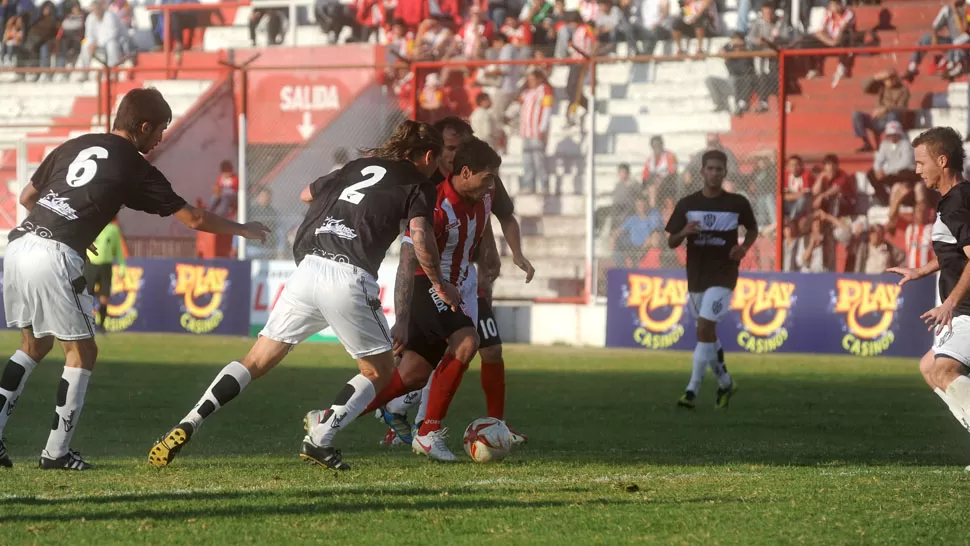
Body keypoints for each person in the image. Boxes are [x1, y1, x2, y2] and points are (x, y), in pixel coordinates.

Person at [148, 121, 460, 471]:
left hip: (308, 269)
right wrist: (439, 283)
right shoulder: (419, 183)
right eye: (436, 162)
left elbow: (307, 194)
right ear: (428, 155)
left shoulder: (356, 167)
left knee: (255, 361)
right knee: (379, 372)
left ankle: (191, 420)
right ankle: (321, 437)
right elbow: (419, 233)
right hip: (349, 275)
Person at [0, 88, 270, 470]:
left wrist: (70, 232)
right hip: (53, 254)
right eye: (159, 130)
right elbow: (193, 218)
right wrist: (242, 229)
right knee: (83, 352)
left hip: (20, 242)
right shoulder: (133, 164)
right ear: (143, 126)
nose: (160, 139)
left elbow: (29, 195)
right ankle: (56, 453)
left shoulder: (75, 144)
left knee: (33, 345)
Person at [376, 119, 534, 451]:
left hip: (468, 277)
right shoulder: (429, 182)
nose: (453, 155)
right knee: (444, 354)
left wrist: (501, 254)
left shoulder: (482, 175)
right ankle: (411, 420)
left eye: (459, 147)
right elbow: (410, 253)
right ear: (437, 151)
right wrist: (403, 314)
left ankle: (492, 425)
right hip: (434, 280)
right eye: (448, 149)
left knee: (485, 347)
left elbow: (494, 212)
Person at [888, 126, 970, 450]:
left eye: (921, 162)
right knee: (929, 366)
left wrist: (950, 302)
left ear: (942, 159)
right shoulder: (957, 199)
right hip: (961, 308)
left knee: (944, 368)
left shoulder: (955, 204)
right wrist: (922, 270)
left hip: (965, 309)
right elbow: (955, 251)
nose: (917, 169)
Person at [665, 149, 758, 409]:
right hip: (696, 276)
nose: (715, 173)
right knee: (707, 333)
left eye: (719, 169)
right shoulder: (687, 204)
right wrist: (684, 231)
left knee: (704, 327)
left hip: (724, 275)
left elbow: (752, 229)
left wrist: (743, 248)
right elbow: (671, 241)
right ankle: (726, 383)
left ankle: (691, 390)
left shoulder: (737, 203)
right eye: (710, 169)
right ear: (702, 172)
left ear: (725, 172)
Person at [84, 217, 127, 334]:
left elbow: (118, 250)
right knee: (86, 296)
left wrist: (122, 266)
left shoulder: (113, 229)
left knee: (104, 297)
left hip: (105, 267)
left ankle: (101, 326)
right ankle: (85, 324)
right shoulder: (90, 227)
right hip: (90, 265)